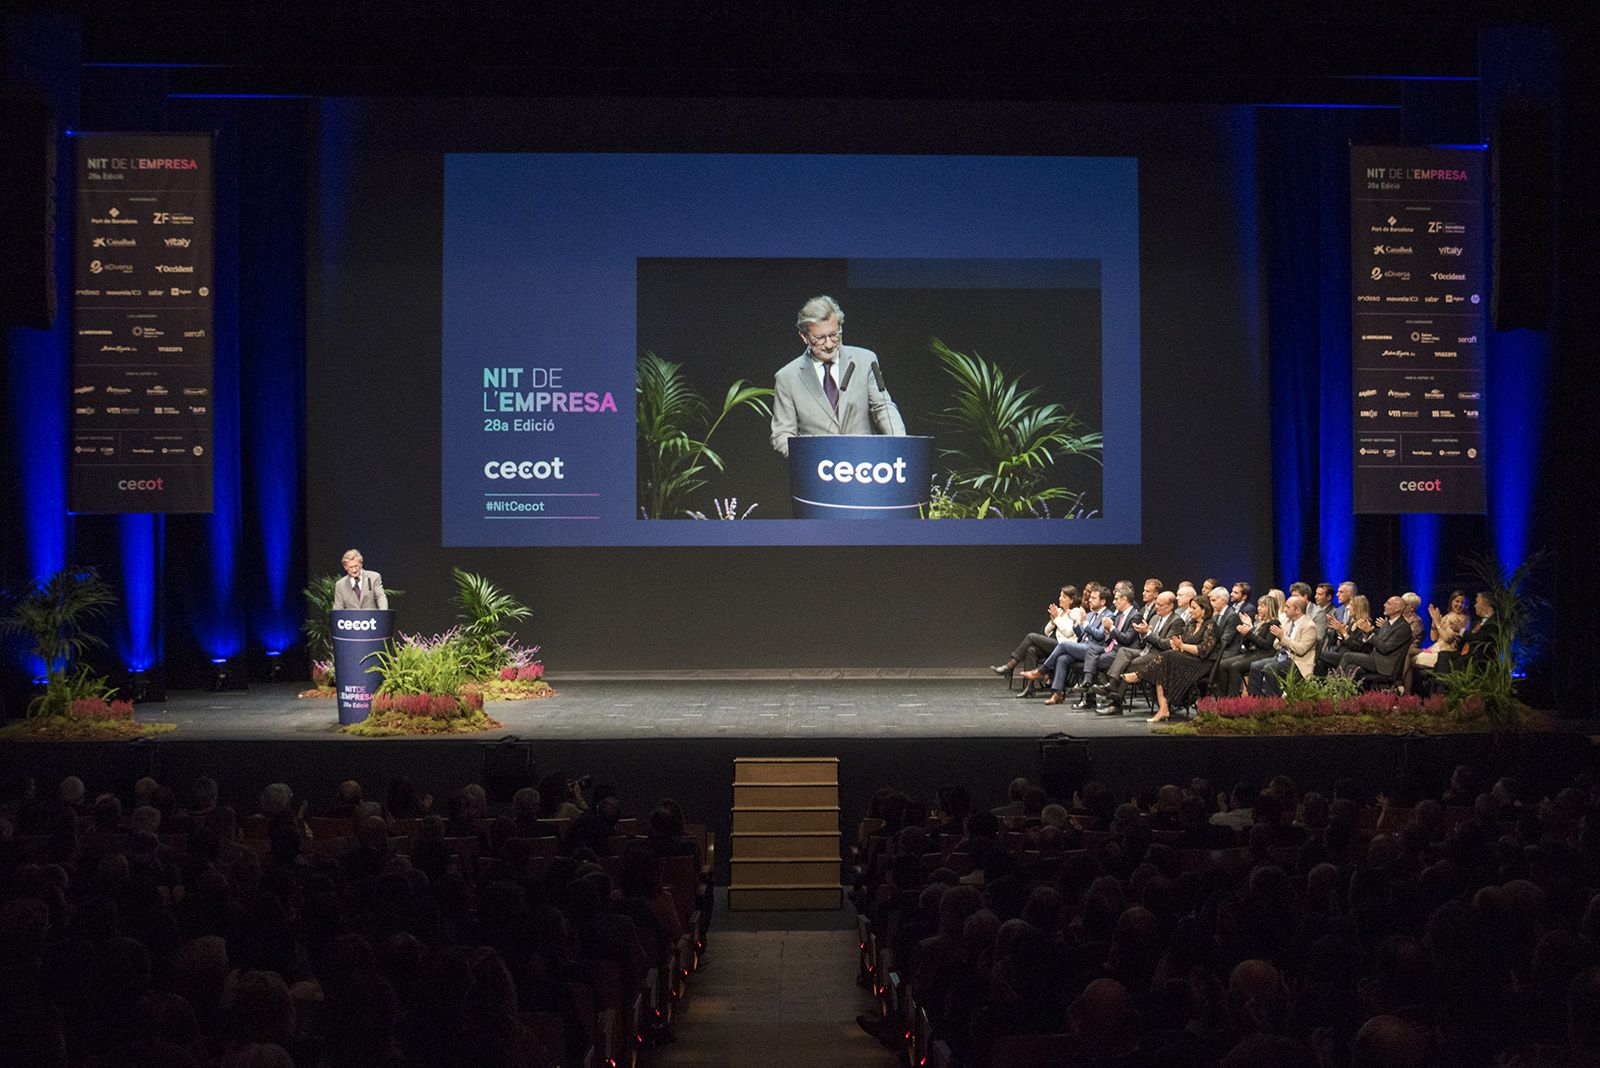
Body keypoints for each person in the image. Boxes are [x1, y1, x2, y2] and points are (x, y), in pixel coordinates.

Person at [769, 295, 905, 458]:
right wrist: (806, 458)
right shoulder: (787, 377)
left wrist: (901, 445)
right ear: (804, 337)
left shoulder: (865, 360)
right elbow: (782, 434)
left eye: (834, 335)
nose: (829, 344)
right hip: (818, 470)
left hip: (866, 465)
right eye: (820, 338)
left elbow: (883, 407)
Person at [1099, 590, 1219, 722]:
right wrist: (1176, 644)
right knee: (1161, 666)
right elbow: (1179, 641)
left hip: (1201, 663)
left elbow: (1203, 650)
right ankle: (1163, 709)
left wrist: (1181, 646)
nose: (1190, 611)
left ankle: (1138, 676)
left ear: (1204, 610)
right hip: (1183, 657)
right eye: (1190, 607)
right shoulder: (1190, 625)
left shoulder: (1210, 625)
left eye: (1194, 608)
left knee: (1165, 657)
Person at [990, 585, 1082, 687]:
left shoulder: (1076, 612)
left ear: (1071, 600)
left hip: (1064, 647)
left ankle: (1010, 665)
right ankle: (1028, 687)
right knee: (1031, 649)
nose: (1060, 598)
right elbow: (1047, 632)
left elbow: (1069, 632)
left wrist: (1056, 619)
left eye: (1064, 597)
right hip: (1054, 645)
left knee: (1031, 636)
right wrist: (1052, 621)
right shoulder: (1059, 611)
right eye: (1060, 596)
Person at [1247, 594, 1316, 696]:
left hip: (1297, 661)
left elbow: (1301, 649)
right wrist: (1281, 638)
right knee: (1255, 666)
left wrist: (1283, 638)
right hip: (1282, 656)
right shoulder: (1288, 622)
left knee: (1269, 669)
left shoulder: (1309, 626)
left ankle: (1274, 703)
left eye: (1288, 607)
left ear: (1297, 610)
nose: (1284, 609)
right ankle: (1255, 701)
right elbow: (1276, 644)